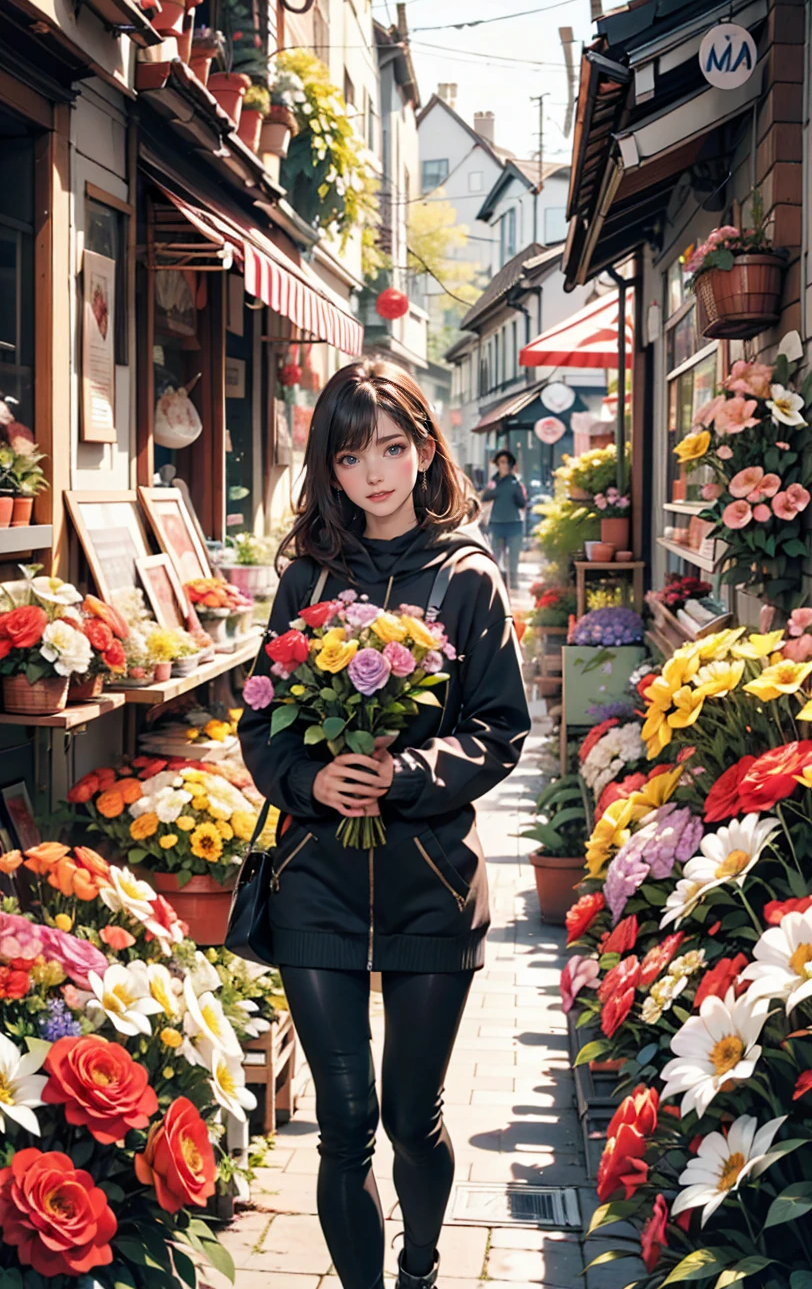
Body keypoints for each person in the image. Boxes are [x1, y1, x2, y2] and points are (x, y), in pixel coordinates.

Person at [239, 361, 530, 1289]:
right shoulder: (310, 579)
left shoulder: (469, 578)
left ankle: (421, 1267)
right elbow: (259, 719)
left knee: (411, 1115)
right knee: (345, 1118)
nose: (376, 473)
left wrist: (402, 774)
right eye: (352, 454)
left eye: (393, 449)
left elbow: (501, 730)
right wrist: (313, 778)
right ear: (328, 468)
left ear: (423, 450)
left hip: (431, 882)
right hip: (316, 876)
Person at [481, 449, 527, 589]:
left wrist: (517, 494)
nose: (504, 465)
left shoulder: (515, 482)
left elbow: (522, 503)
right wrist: (493, 492)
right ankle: (495, 583)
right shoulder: (493, 482)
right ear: (497, 464)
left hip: (514, 524)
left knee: (513, 558)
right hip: (496, 524)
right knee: (495, 556)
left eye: (507, 462)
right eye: (501, 462)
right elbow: (484, 497)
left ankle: (513, 582)